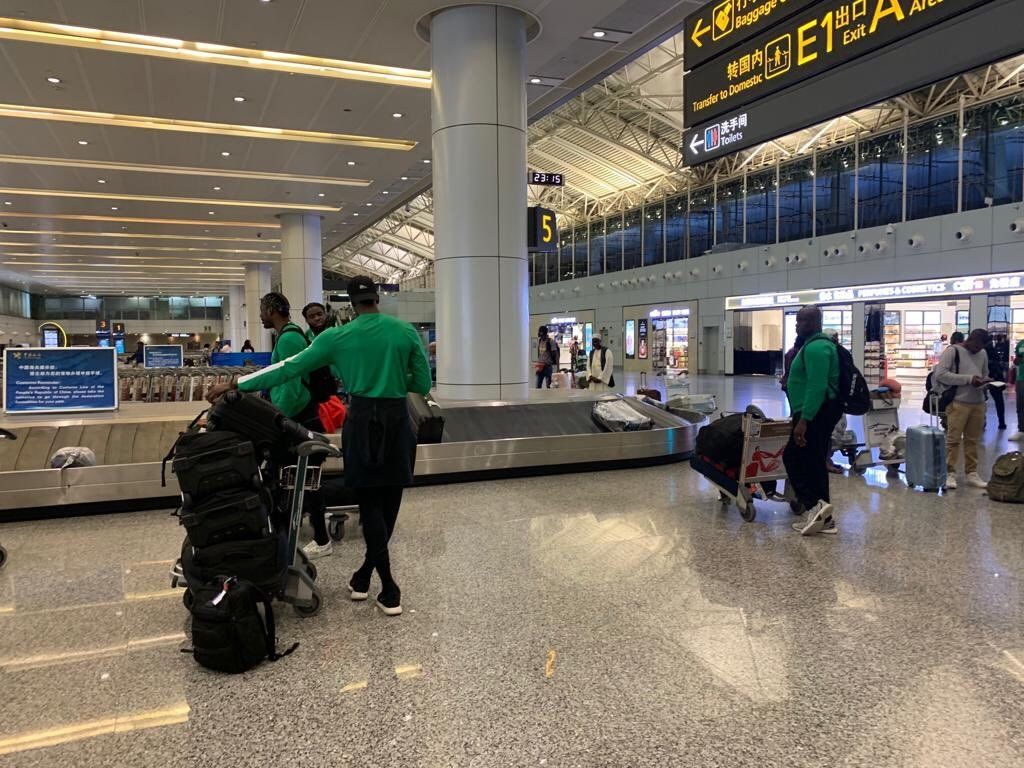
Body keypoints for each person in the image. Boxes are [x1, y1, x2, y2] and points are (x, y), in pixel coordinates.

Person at [207, 277, 431, 617]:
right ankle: (364, 577)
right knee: (390, 501)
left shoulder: (337, 337)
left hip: (363, 421)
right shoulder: (405, 332)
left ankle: (388, 586)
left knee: (369, 501)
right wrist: (396, 381)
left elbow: (287, 369)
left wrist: (237, 383)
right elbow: (422, 382)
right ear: (377, 300)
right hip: (398, 419)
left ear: (352, 305)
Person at [208, 292, 332, 557]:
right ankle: (285, 535)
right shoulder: (288, 336)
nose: (260, 315)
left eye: (262, 310)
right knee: (293, 478)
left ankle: (322, 540)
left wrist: (275, 418)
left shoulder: (288, 339)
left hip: (298, 419)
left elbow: (289, 384)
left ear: (273, 310)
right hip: (295, 418)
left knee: (305, 480)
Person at [783, 305, 843, 536]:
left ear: (814, 323)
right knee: (814, 461)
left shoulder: (817, 348)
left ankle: (813, 505)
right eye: (797, 321)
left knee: (793, 458)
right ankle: (824, 518)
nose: (797, 325)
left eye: (801, 321)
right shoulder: (816, 345)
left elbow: (816, 386)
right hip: (812, 412)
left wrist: (804, 420)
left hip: (812, 414)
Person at [933, 329, 991, 489]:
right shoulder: (952, 351)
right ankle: (949, 473)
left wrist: (985, 382)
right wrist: (968, 379)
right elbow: (940, 374)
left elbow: (984, 373)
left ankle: (971, 473)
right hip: (958, 402)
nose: (978, 350)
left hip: (978, 402)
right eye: (977, 346)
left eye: (981, 347)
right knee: (953, 440)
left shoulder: (983, 353)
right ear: (971, 339)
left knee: (973, 440)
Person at [986, 335, 1008, 430]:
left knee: (980, 400)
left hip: (986, 376)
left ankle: (982, 422)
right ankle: (1001, 422)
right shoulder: (995, 348)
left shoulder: (983, 350)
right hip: (996, 377)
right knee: (999, 400)